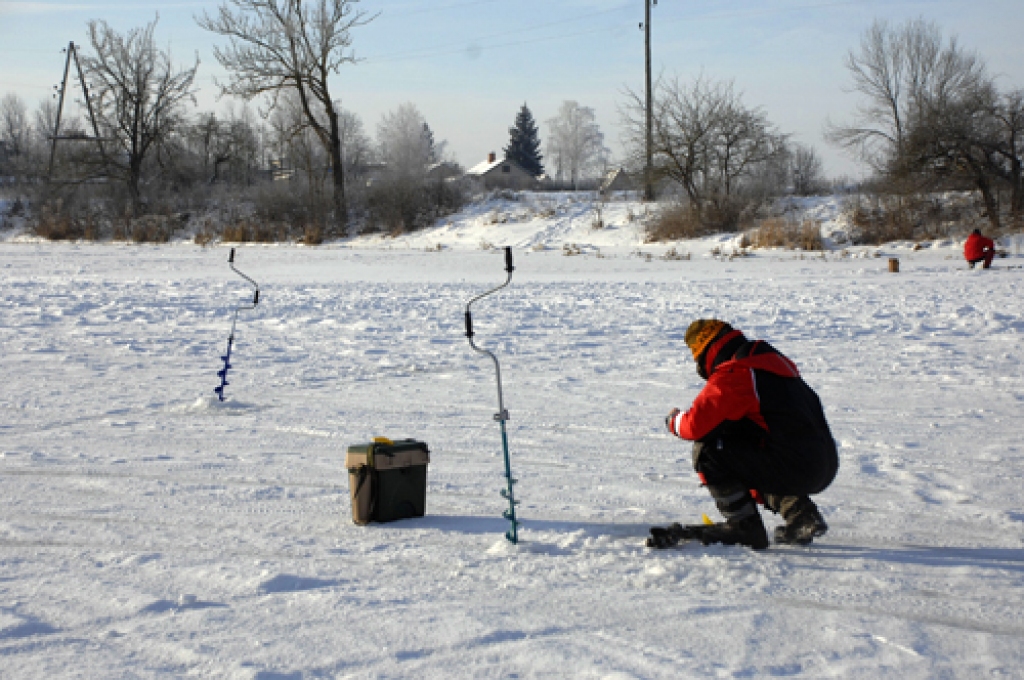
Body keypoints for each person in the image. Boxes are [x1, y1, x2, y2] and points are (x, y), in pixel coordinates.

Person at [654, 319, 839, 550]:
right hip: (823, 463)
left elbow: (694, 426)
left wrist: (673, 420)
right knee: (747, 441)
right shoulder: (770, 363)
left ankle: (743, 527)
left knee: (710, 449)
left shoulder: (737, 372)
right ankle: (801, 514)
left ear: (706, 352)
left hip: (797, 466)